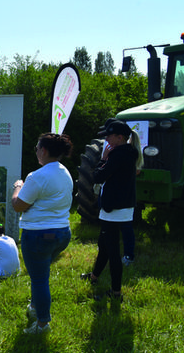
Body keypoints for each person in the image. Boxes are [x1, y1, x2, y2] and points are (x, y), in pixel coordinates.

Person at [12, 132, 74, 335]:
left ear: (44, 150)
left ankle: (42, 324)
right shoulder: (65, 172)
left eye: (37, 148)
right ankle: (34, 307)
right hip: (62, 233)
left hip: (38, 235)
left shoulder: (37, 176)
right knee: (41, 275)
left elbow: (18, 205)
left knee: (39, 280)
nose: (36, 151)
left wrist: (18, 187)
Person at [82, 119, 142, 301]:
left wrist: (103, 159)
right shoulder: (129, 152)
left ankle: (116, 293)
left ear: (120, 137)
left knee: (112, 251)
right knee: (104, 245)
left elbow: (98, 176)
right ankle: (94, 277)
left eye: (109, 136)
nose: (107, 139)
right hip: (122, 206)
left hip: (113, 209)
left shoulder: (118, 155)